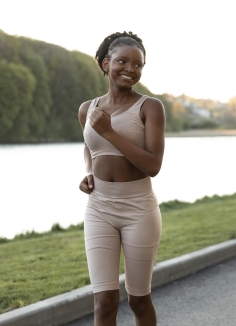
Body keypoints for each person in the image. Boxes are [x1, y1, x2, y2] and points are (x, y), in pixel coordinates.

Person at [78, 31, 165, 326]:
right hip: (99, 207)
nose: (131, 69)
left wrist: (109, 132)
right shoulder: (87, 110)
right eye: (122, 61)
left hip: (138, 208)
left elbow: (153, 165)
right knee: (104, 303)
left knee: (139, 300)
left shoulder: (150, 107)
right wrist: (89, 172)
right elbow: (90, 148)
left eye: (138, 64)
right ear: (106, 63)